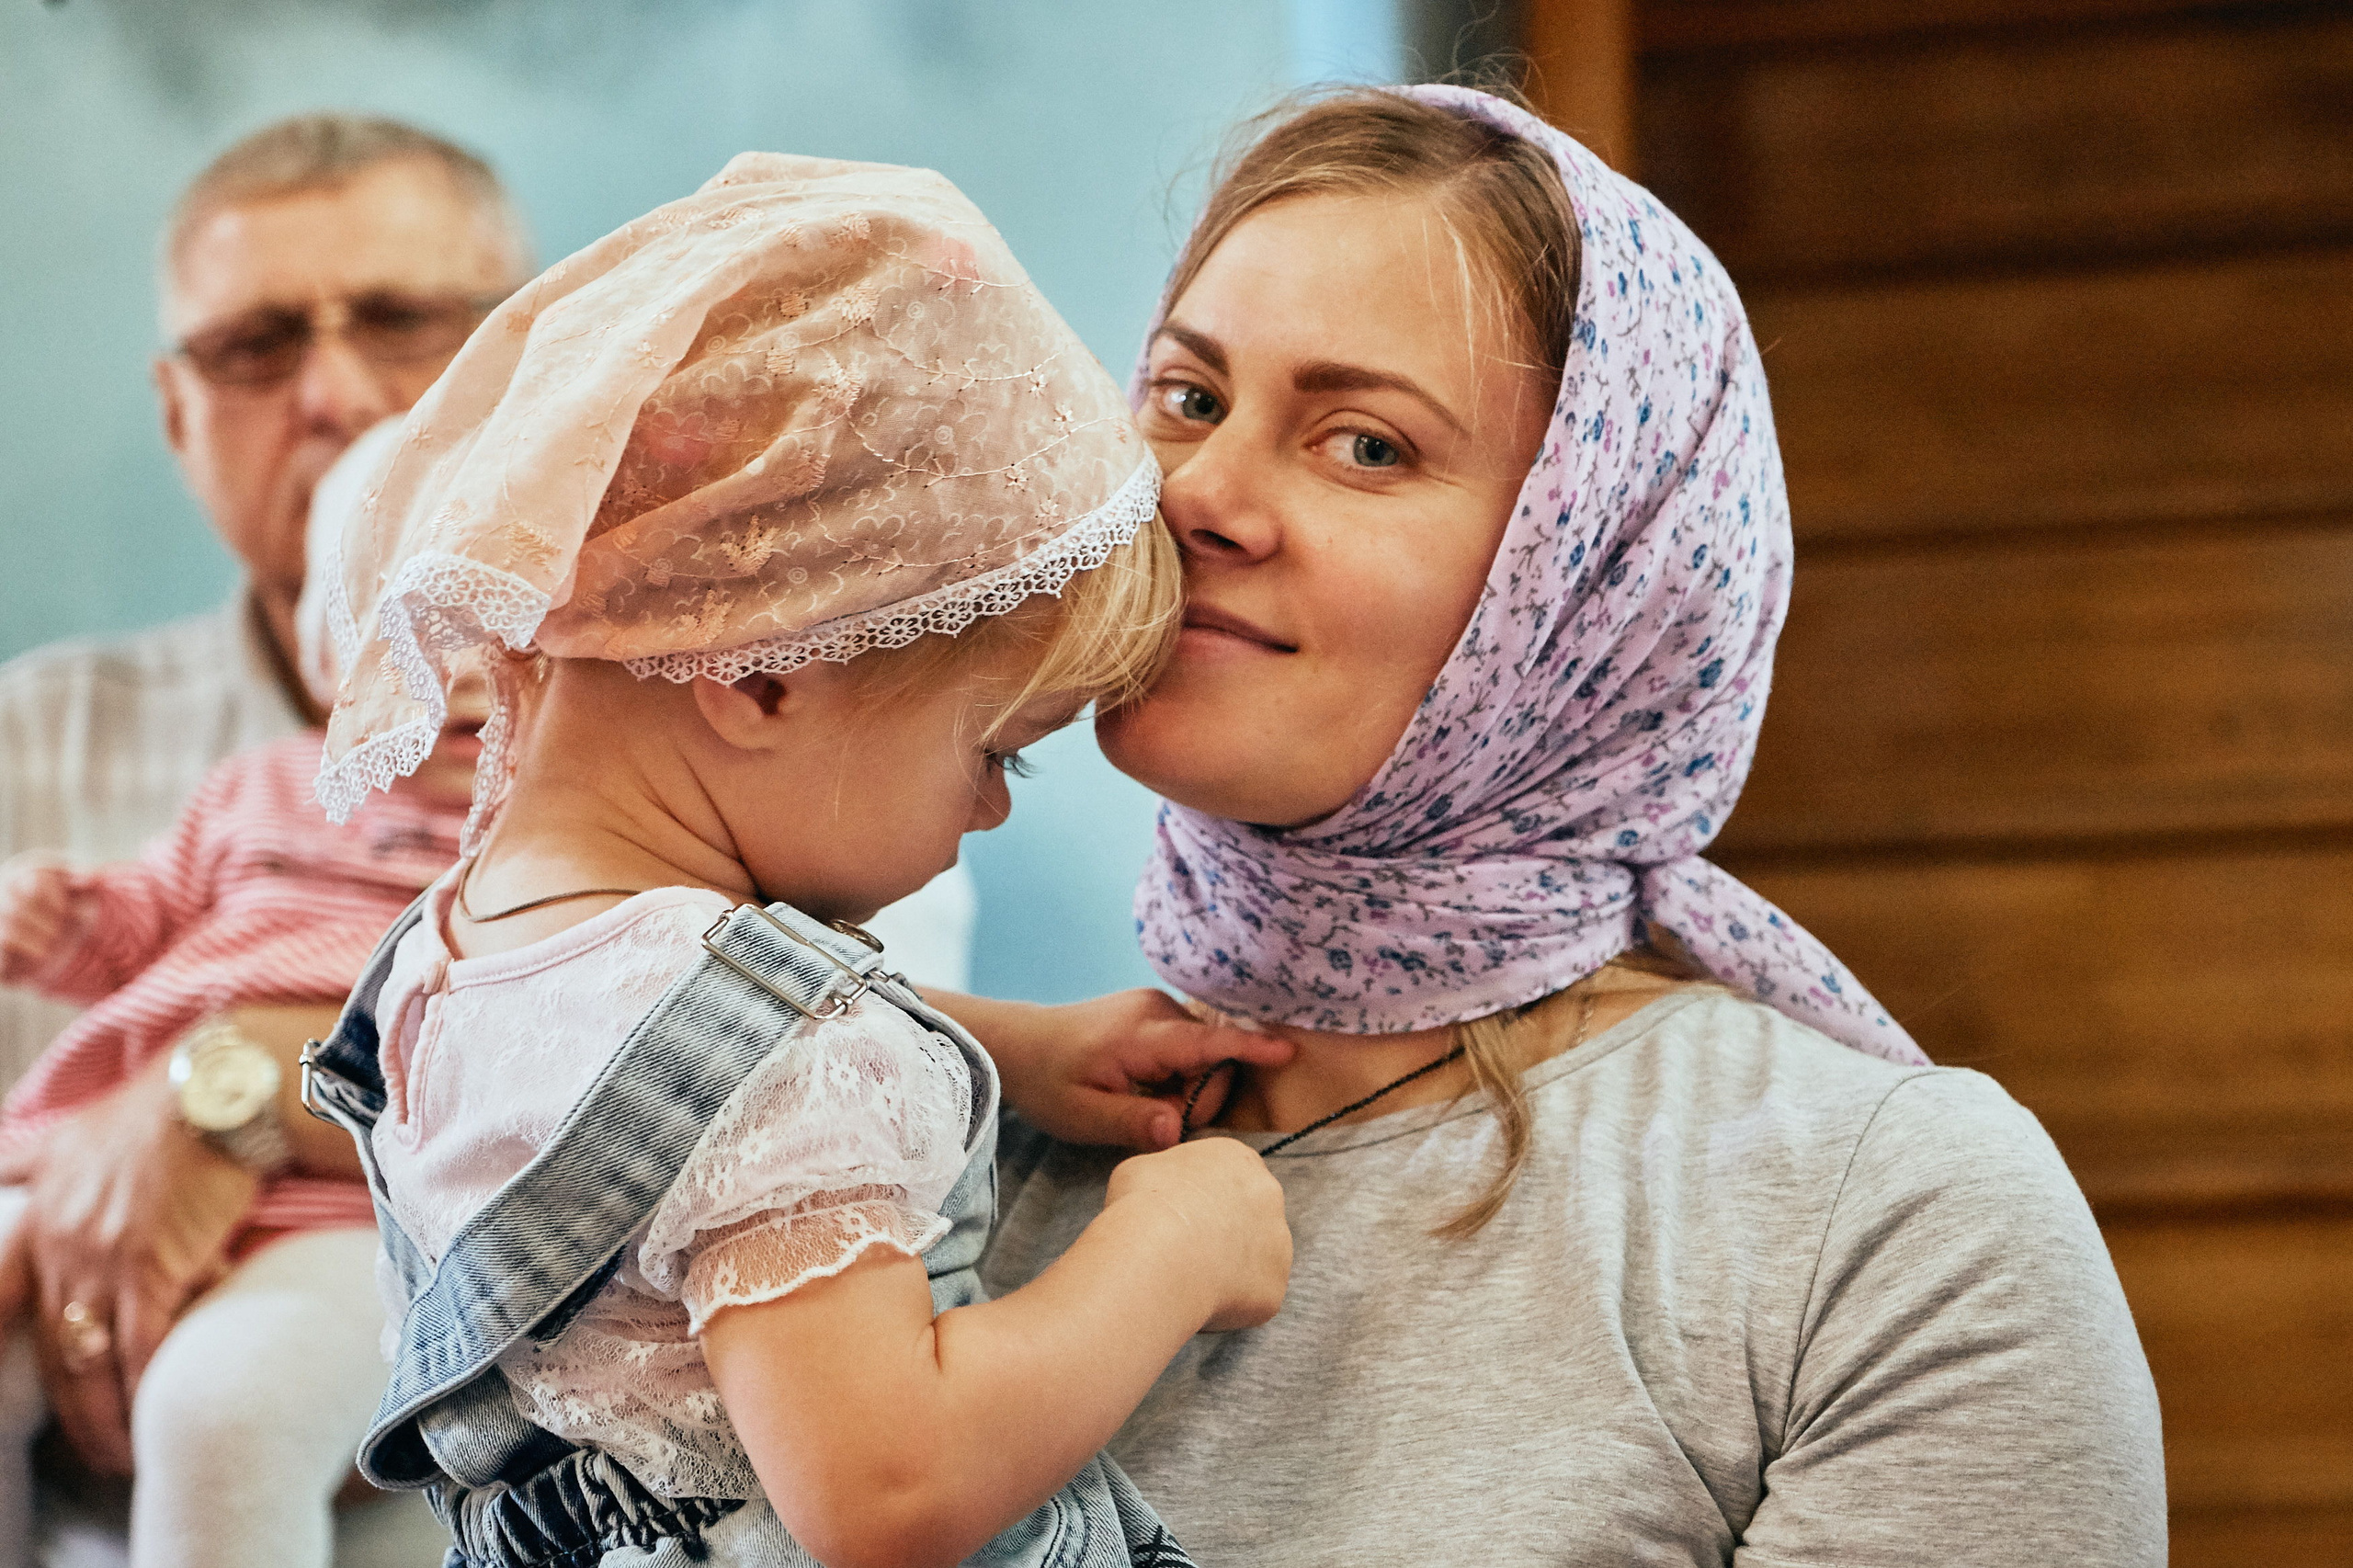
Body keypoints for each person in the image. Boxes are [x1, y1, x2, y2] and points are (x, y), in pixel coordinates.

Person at [949, 85, 2169, 1564]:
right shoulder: (900, 1142)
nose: (1199, 493)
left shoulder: (1890, 1222)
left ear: (1598, 580)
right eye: (1189, 398)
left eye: (1365, 445)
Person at [300, 153, 1292, 1568]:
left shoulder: (463, 949)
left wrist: (1012, 1048)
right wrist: (1171, 1251)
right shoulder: (797, 1071)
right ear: (763, 674)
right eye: (997, 752)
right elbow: (889, 1488)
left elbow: (648, 1080)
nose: (991, 812)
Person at [0, 618, 481, 1563]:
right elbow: (142, 920)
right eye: (414, 638)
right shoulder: (260, 786)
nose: (466, 675)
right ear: (326, 668)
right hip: (83, 1169)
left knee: (224, 1416)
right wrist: (57, 918)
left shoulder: (547, 839)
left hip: (352, 1222)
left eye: (512, 634)